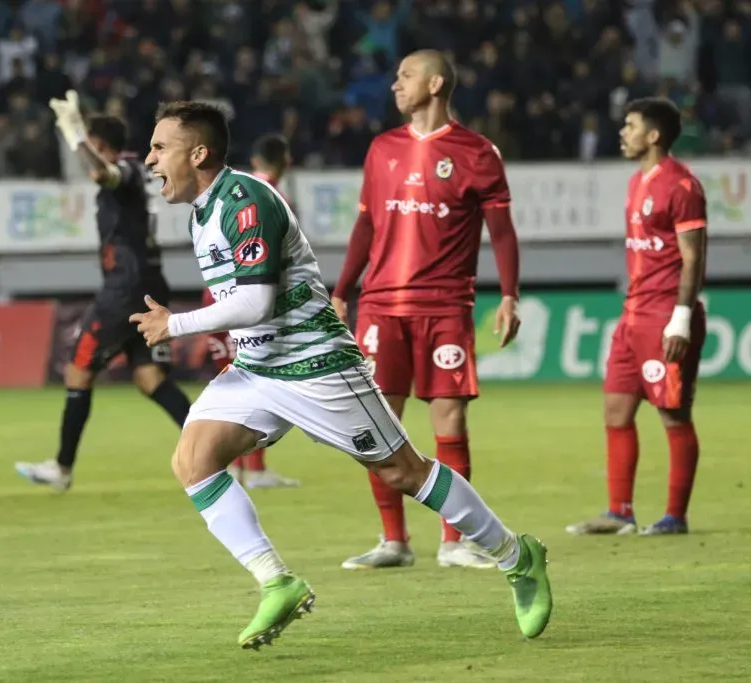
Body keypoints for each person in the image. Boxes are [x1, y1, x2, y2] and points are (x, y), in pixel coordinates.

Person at [130, 99, 552, 649]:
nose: (150, 159)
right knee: (193, 459)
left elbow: (255, 302)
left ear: (199, 152)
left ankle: (517, 558)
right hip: (259, 368)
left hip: (316, 365)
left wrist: (177, 323)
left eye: (160, 147)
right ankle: (276, 581)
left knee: (404, 472)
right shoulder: (203, 212)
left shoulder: (246, 200)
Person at [331, 51, 522, 570]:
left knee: (450, 418)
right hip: (382, 305)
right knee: (376, 425)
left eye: (406, 76)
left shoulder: (478, 153)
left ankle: (454, 541)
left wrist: (509, 295)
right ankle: (394, 540)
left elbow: (501, 231)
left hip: (445, 305)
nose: (395, 85)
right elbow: (366, 228)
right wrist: (342, 289)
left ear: (436, 83)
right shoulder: (382, 148)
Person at [15, 92, 192, 492]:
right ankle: (215, 453)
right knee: (150, 379)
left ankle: (61, 468)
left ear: (101, 145)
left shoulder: (126, 169)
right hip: (148, 284)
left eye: (90, 145)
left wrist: (75, 135)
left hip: (124, 290)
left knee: (79, 370)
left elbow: (101, 173)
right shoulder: (134, 173)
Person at [567, 98, 707, 536]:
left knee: (673, 415)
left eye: (630, 126)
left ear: (654, 135)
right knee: (615, 410)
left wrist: (681, 317)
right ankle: (619, 512)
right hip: (632, 315)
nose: (622, 133)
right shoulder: (635, 183)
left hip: (665, 316)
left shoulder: (682, 186)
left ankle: (674, 516)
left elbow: (693, 258)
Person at [203, 133, 299, 489]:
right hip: (247, 308)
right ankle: (244, 467)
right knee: (257, 383)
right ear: (284, 161)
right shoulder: (273, 196)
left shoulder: (232, 193)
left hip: (218, 301)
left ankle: (240, 467)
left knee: (237, 386)